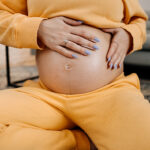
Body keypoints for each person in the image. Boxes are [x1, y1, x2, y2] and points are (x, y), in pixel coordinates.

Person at [0, 0, 149, 150]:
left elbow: (138, 21)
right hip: (46, 96)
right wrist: (38, 29)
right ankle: (81, 142)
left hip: (109, 94)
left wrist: (129, 35)